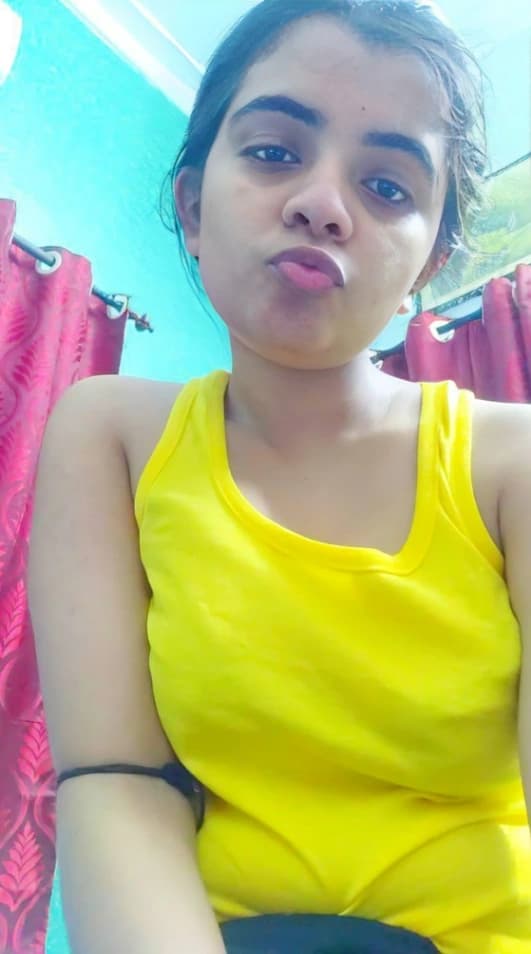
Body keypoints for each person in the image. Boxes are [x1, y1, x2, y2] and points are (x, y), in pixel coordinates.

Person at [28, 1, 531, 952]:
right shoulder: (111, 436)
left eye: (385, 186)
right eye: (272, 152)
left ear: (426, 265)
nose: (322, 204)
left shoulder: (512, 463)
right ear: (191, 205)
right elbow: (116, 778)